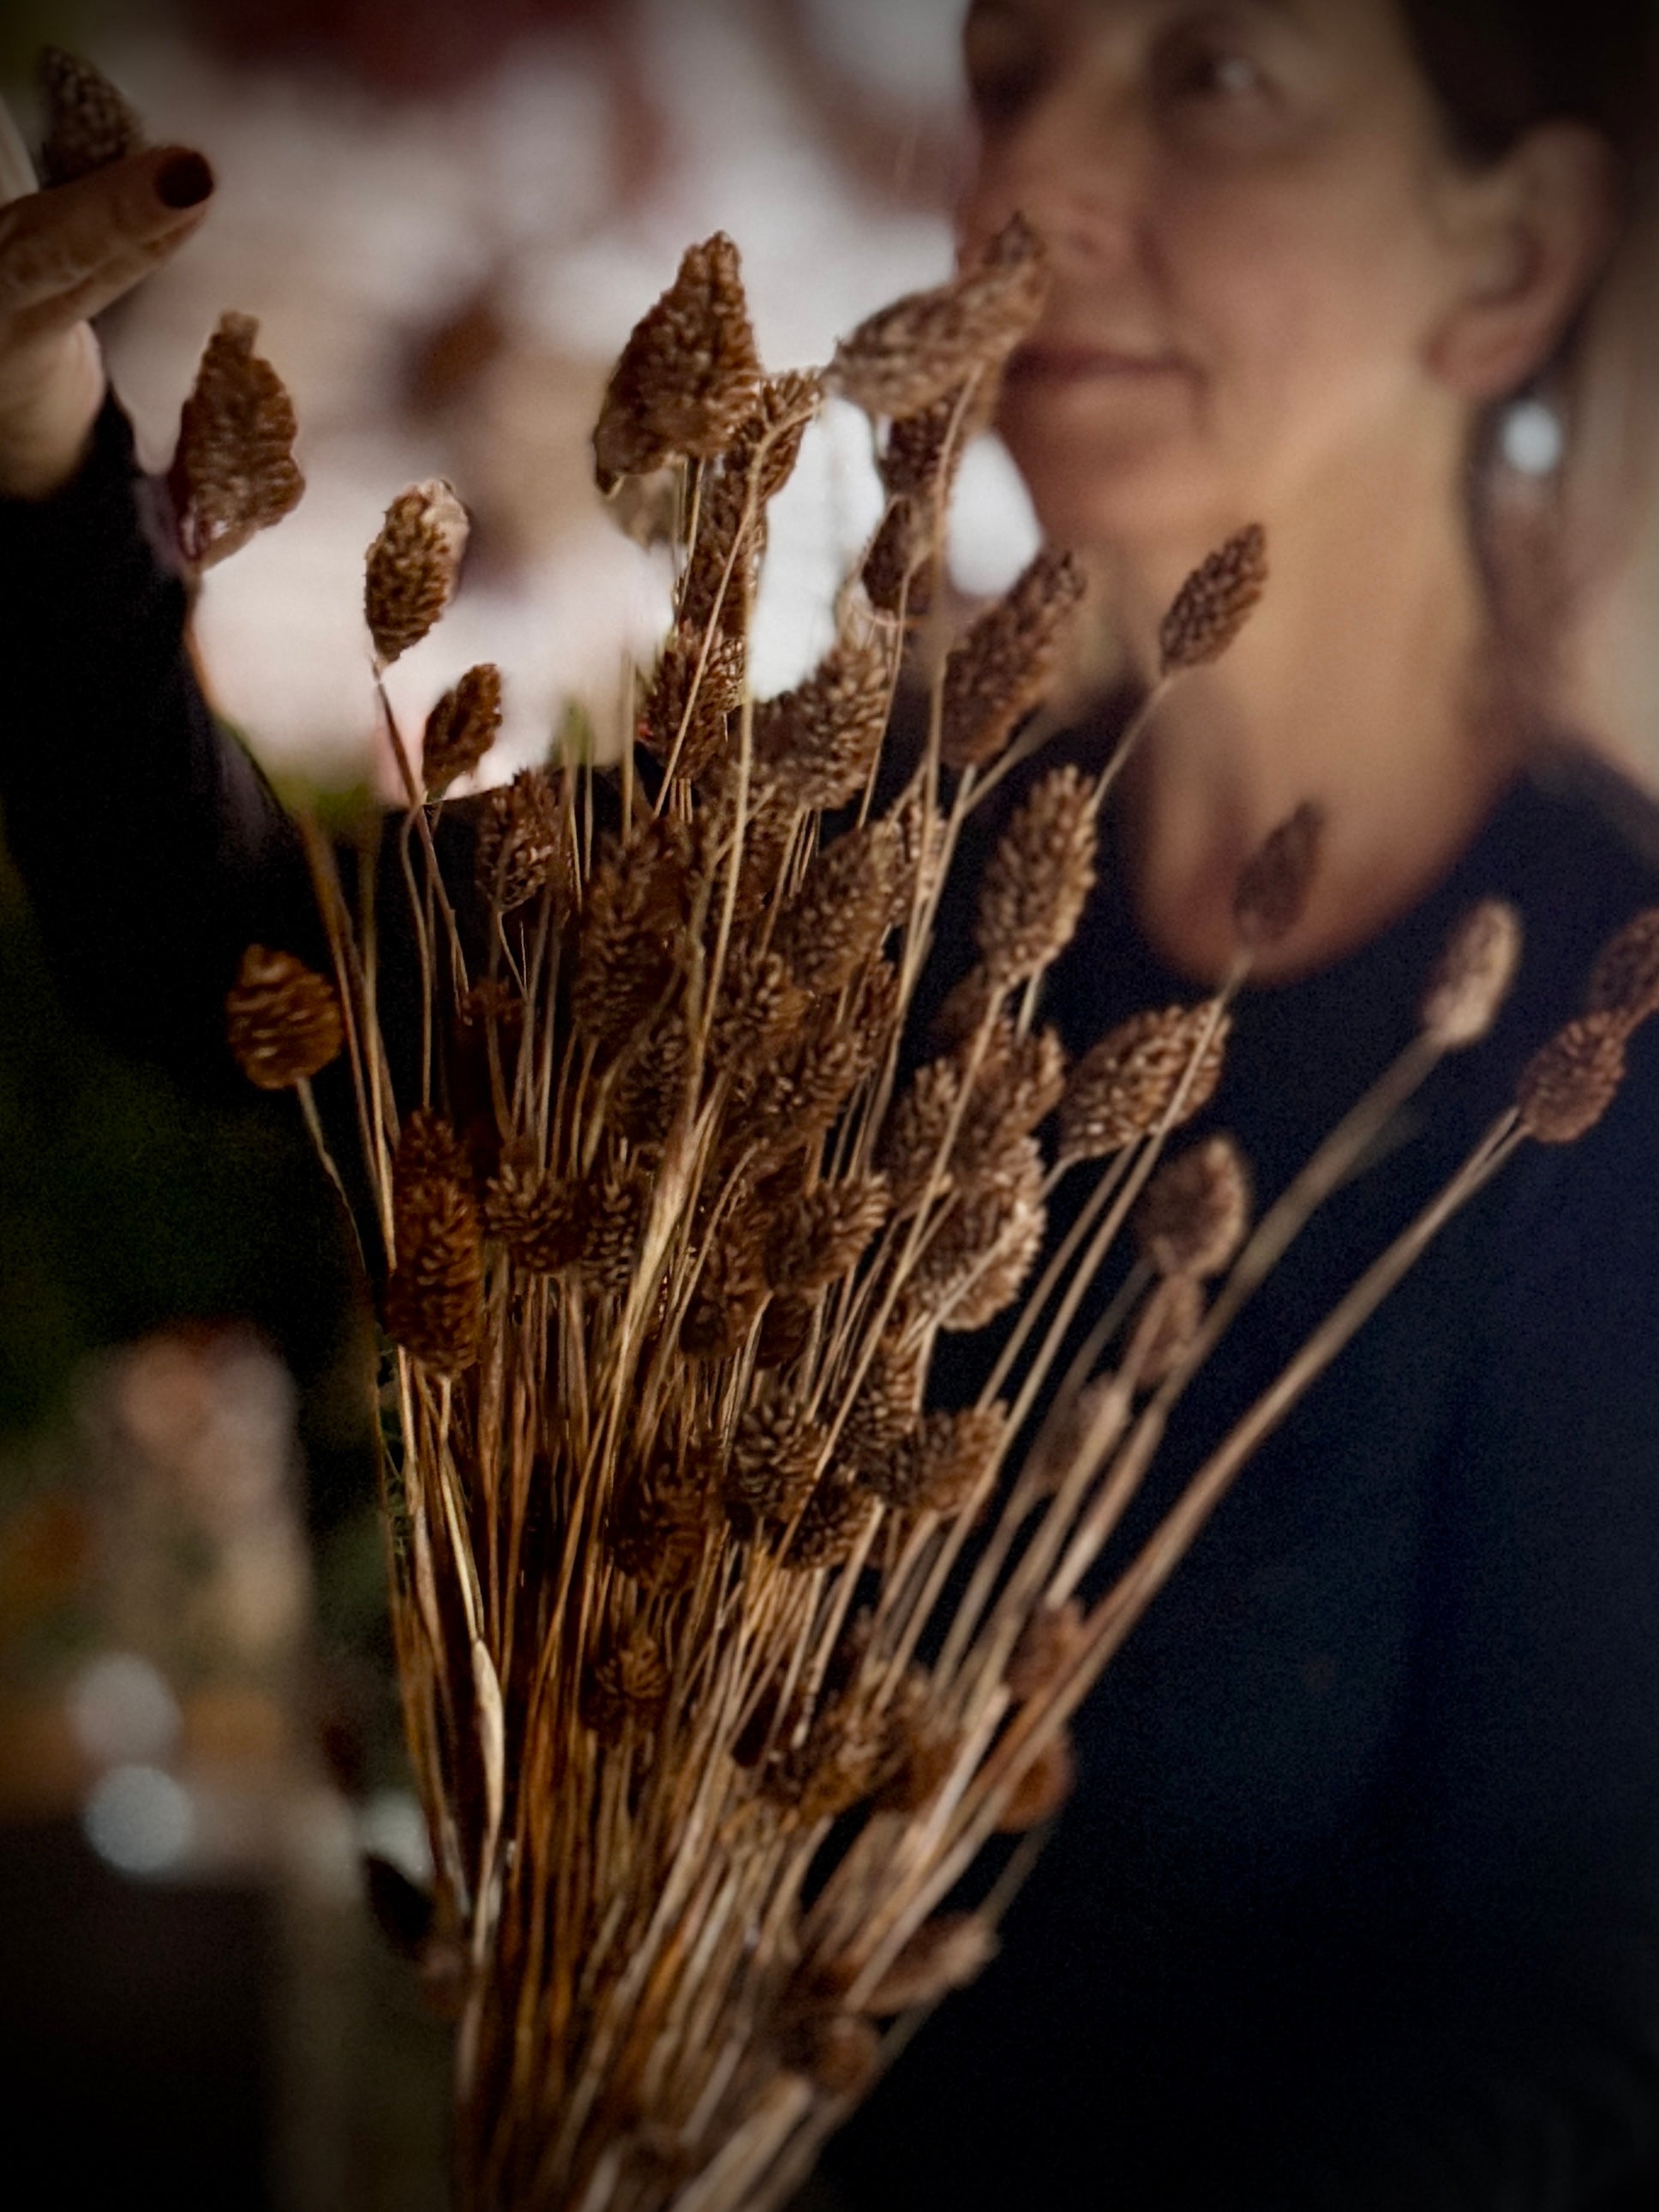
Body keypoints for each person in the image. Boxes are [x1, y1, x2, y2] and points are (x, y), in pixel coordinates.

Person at [3, 3, 1659, 2206]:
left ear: (1511, 257)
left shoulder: (1598, 1070)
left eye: (1215, 75)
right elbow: (229, 959)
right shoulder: (869, 862)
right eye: (1006, 68)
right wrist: (33, 451)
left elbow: (1574, 2034)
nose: (1025, 187)